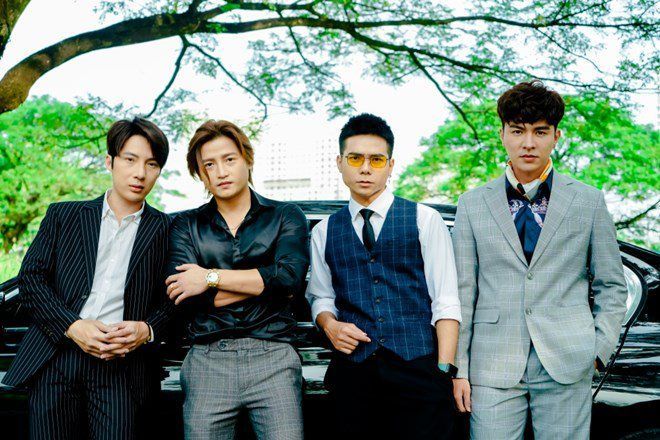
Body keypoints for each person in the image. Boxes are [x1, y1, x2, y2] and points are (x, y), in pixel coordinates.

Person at [451, 80, 628, 440]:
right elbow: (462, 292)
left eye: (540, 131)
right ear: (502, 134)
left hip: (569, 359)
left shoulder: (588, 201)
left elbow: (612, 284)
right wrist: (460, 368)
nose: (528, 143)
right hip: (492, 363)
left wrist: (598, 350)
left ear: (556, 136)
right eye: (518, 131)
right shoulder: (472, 204)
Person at [2, 117, 173, 439]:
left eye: (151, 164)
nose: (140, 173)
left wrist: (147, 329)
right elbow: (31, 279)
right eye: (130, 159)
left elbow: (173, 300)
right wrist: (72, 325)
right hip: (56, 355)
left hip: (121, 365)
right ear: (110, 161)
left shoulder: (167, 229)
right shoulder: (63, 215)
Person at [305, 113, 461, 439]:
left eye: (376, 160)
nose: (365, 168)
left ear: (390, 166)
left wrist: (443, 371)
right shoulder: (324, 231)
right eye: (355, 158)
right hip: (353, 374)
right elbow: (321, 296)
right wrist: (330, 325)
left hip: (419, 369)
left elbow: (445, 300)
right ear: (339, 163)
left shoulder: (424, 219)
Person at [165, 119, 309, 439]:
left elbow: (290, 279)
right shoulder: (185, 225)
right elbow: (185, 297)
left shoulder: (286, 215)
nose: (221, 171)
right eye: (209, 165)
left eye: (229, 159)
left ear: (247, 159)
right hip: (207, 359)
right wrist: (265, 283)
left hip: (274, 354)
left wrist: (209, 277)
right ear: (200, 173)